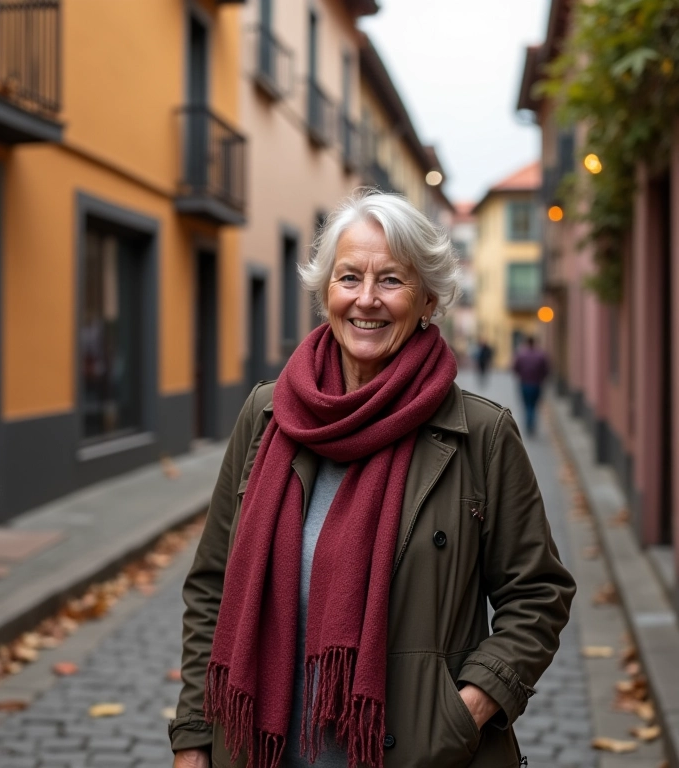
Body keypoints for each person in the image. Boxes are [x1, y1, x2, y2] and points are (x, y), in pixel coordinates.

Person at [170, 191, 575, 768]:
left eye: (391, 280)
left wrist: (465, 710)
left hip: (417, 755)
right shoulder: (265, 417)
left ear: (427, 299)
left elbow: (538, 593)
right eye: (349, 277)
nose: (366, 299)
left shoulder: (480, 433)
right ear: (325, 291)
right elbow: (212, 587)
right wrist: (192, 738)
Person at [512, 336, 550, 436]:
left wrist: (521, 375)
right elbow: (546, 370)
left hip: (524, 383)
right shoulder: (541, 355)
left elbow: (515, 368)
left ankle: (529, 425)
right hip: (536, 384)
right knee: (533, 405)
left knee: (527, 405)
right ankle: (531, 425)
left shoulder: (521, 354)